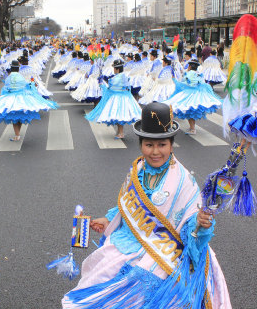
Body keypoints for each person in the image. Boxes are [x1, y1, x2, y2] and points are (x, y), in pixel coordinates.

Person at [62, 102, 231, 308]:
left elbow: (190, 225)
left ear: (171, 145)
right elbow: (125, 205)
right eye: (149, 145)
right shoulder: (137, 169)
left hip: (166, 249)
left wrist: (201, 223)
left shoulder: (183, 181)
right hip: (131, 241)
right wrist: (108, 220)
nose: (155, 152)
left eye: (162, 145)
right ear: (141, 145)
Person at [0, 60, 57, 141]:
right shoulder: (21, 77)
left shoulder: (8, 78)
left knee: (14, 117)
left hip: (11, 99)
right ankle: (17, 134)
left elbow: (6, 89)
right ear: (18, 69)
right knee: (19, 116)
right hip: (21, 98)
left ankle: (17, 135)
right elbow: (26, 86)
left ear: (11, 69)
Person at [85, 59, 141, 139]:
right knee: (120, 116)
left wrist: (101, 84)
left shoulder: (115, 79)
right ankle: (120, 132)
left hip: (118, 99)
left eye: (114, 68)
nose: (113, 70)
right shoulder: (125, 76)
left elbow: (110, 89)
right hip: (126, 98)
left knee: (119, 116)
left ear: (117, 69)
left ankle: (121, 133)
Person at [163, 60, 222, 135]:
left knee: (188, 111)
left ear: (190, 67)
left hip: (189, 95)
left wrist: (175, 80)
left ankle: (192, 129)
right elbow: (201, 83)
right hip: (197, 94)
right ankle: (192, 128)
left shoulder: (189, 74)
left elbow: (186, 84)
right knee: (191, 112)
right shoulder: (198, 74)